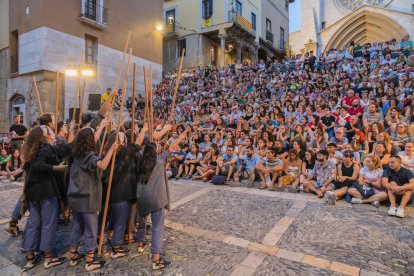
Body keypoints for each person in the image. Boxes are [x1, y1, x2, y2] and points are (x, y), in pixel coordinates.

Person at [67, 127, 119, 271]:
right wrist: (112, 149)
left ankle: (73, 255)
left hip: (75, 197)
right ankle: (90, 261)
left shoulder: (76, 154)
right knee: (91, 229)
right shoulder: (89, 156)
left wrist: (102, 124)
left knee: (76, 226)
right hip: (87, 199)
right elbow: (102, 165)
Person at [135, 126, 186, 271]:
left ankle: (141, 243)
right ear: (154, 152)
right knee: (158, 228)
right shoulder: (159, 160)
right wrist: (180, 137)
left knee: (142, 221)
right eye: (157, 147)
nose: (159, 148)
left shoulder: (139, 158)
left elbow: (139, 145)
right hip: (155, 198)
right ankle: (156, 260)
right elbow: (171, 147)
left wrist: (144, 130)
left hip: (141, 197)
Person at [23, 125, 68, 270]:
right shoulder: (45, 148)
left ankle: (30, 257)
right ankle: (48, 258)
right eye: (50, 132)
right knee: (49, 224)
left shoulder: (31, 150)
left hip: (33, 192)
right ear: (44, 136)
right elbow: (39, 165)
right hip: (46, 192)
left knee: (33, 224)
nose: (53, 134)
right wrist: (57, 168)